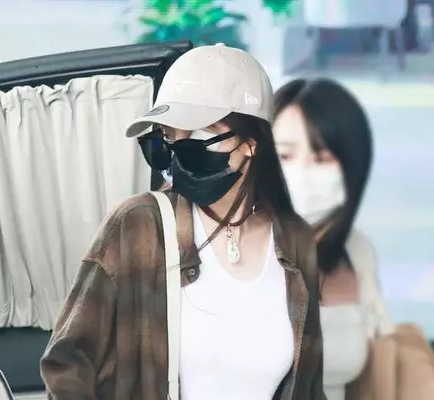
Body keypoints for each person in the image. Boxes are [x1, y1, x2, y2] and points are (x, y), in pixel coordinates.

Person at [41, 44, 326, 400]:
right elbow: (66, 364)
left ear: (251, 144)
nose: (178, 151)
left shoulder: (296, 241)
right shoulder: (138, 226)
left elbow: (309, 386)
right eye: (169, 138)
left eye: (199, 135)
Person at [272, 78, 392, 400]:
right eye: (284, 155)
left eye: (322, 158)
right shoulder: (233, 248)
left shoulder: (357, 251)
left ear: (351, 169)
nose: (301, 173)